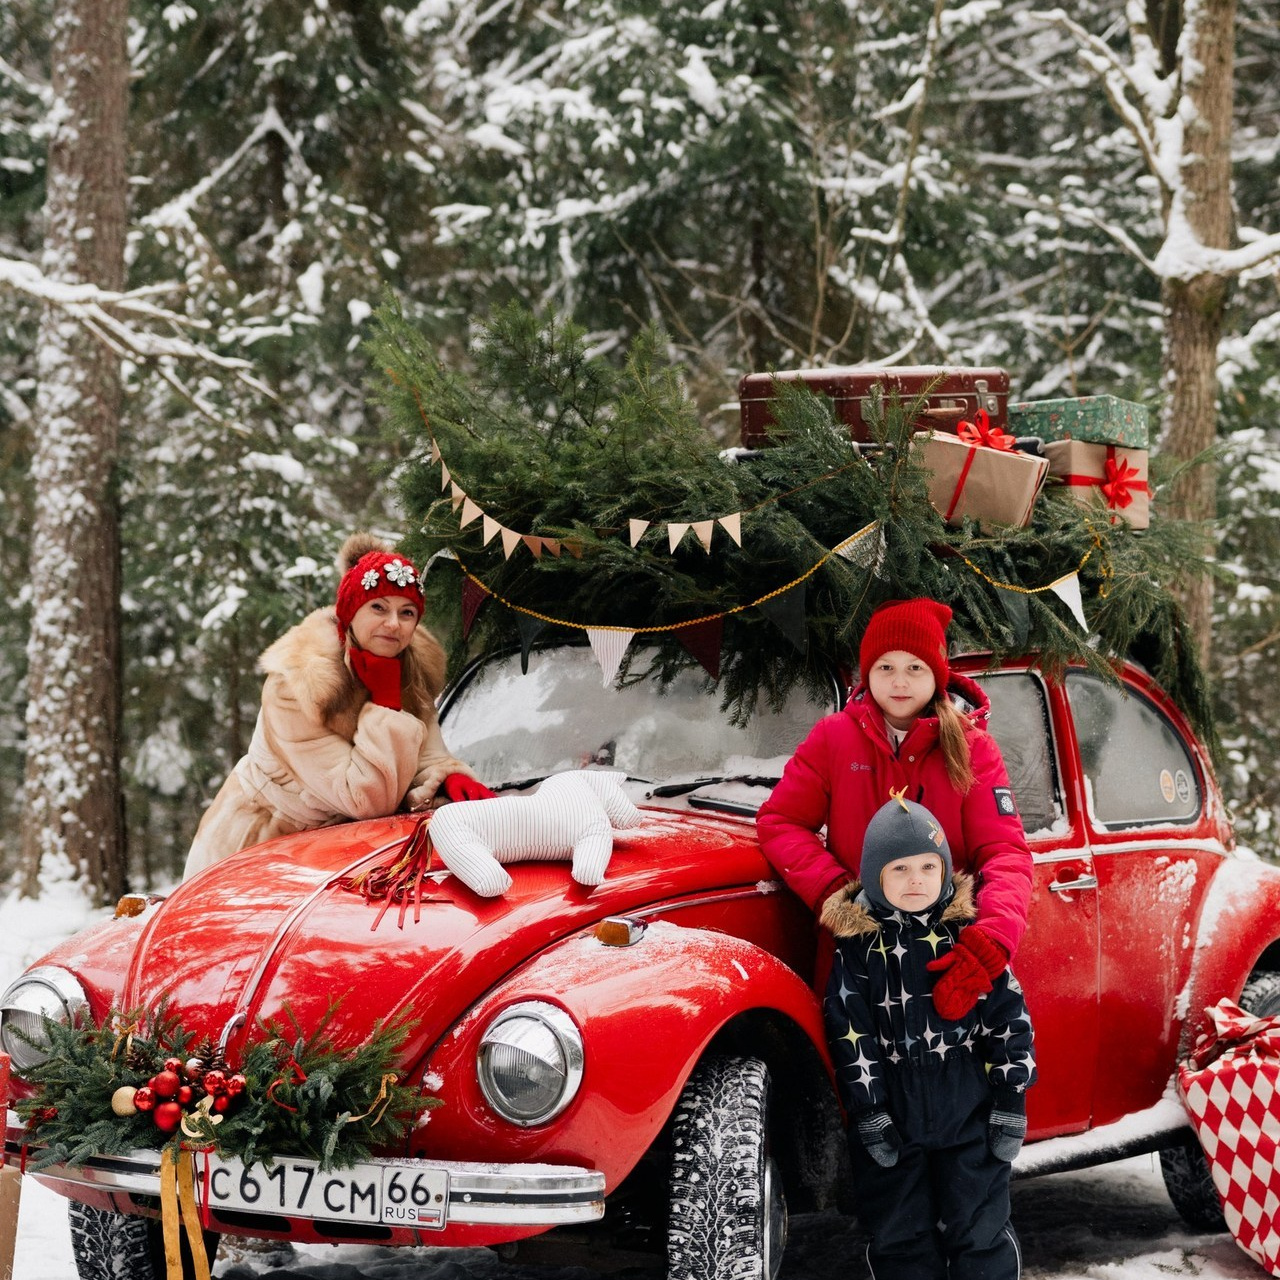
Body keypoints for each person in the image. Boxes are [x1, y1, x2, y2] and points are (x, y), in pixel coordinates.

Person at [756, 597, 1033, 1019]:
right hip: (855, 965)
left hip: (944, 962)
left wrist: (991, 940)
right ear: (868, 672)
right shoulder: (834, 738)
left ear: (937, 675)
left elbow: (1005, 853)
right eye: (885, 667)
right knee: (854, 1079)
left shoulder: (974, 749)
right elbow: (781, 822)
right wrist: (838, 894)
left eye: (914, 667)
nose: (899, 681)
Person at [183, 532, 490, 879]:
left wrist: (446, 776)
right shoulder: (297, 685)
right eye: (378, 608)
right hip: (257, 847)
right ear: (350, 613)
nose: (393, 624)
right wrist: (386, 704)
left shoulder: (409, 666)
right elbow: (366, 799)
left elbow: (424, 754)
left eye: (407, 613)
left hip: (347, 846)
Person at [823, 794, 1035, 1280]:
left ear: (944, 871)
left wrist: (1010, 1097)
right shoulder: (857, 948)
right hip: (894, 1111)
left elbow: (1008, 1017)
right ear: (875, 875)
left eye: (926, 866)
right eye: (898, 869)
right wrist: (869, 1111)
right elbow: (850, 1032)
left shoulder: (966, 935)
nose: (915, 879)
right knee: (900, 1235)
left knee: (980, 1228)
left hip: (968, 1108)